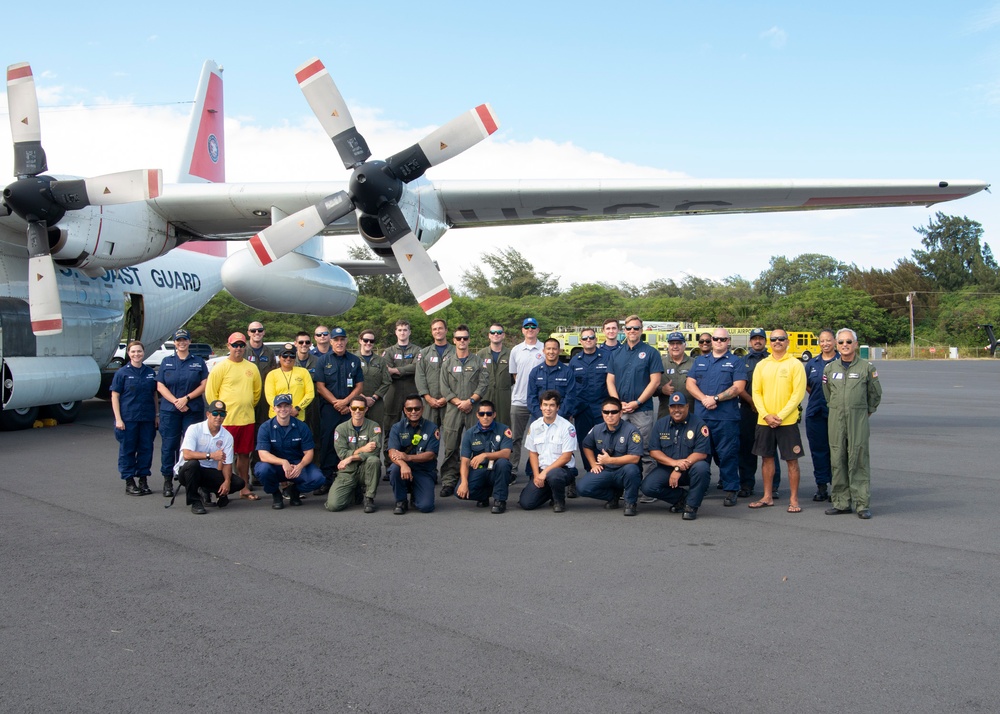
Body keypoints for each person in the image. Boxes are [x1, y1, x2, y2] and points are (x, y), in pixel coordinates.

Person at [823, 328, 882, 519]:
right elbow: (827, 393)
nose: (845, 345)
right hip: (836, 419)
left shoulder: (867, 368)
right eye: (841, 342)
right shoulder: (830, 369)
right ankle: (841, 502)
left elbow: (875, 394)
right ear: (836, 345)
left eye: (849, 342)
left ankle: (862, 504)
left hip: (858, 419)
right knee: (837, 459)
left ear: (856, 344)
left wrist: (865, 411)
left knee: (858, 459)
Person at [747, 329, 807, 513]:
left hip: (787, 422)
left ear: (787, 342)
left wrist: (780, 415)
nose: (777, 342)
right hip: (765, 421)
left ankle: (794, 499)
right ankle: (767, 496)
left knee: (792, 461)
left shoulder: (795, 365)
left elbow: (798, 394)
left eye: (781, 339)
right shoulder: (762, 365)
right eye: (773, 339)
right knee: (766, 459)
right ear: (769, 342)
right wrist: (766, 414)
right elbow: (756, 392)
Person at [686, 328, 747, 507]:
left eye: (722, 339)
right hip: (702, 417)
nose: (719, 341)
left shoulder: (736, 362)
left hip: (726, 418)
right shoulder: (700, 361)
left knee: (727, 455)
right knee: (701, 455)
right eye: (716, 339)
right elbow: (690, 383)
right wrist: (704, 399)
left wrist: (716, 398)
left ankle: (730, 489)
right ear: (711, 340)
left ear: (728, 341)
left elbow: (739, 387)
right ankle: (701, 487)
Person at [205, 332, 262, 500]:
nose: (238, 348)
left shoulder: (251, 368)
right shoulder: (220, 367)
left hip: (246, 419)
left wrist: (246, 404)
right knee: (222, 456)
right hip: (226, 421)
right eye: (235, 345)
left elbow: (256, 393)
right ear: (228, 346)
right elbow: (211, 394)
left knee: (244, 455)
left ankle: (244, 487)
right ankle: (220, 488)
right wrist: (217, 417)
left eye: (241, 345)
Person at [640, 393, 711, 521]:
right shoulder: (661, 424)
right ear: (669, 408)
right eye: (673, 407)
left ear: (687, 406)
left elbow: (701, 453)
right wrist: (674, 464)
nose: (676, 410)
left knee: (702, 468)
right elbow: (654, 451)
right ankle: (681, 498)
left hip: (691, 469)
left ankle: (691, 506)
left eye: (680, 406)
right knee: (648, 487)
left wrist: (679, 468)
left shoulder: (699, 424)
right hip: (668, 468)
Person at [606, 315, 663, 472]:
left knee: (644, 451)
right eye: (629, 328)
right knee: (619, 450)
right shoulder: (615, 354)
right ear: (624, 330)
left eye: (636, 328)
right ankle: (625, 488)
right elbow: (610, 380)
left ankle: (647, 491)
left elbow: (655, 382)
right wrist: (618, 404)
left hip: (642, 411)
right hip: (620, 410)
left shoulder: (651, 353)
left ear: (641, 330)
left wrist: (637, 402)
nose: (632, 331)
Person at [156, 328, 209, 497]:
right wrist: (176, 402)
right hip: (170, 411)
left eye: (185, 340)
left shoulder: (198, 362)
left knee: (193, 446)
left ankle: (192, 480)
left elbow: (204, 384)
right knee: (169, 446)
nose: (182, 343)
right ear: (175, 343)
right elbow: (160, 385)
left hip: (192, 410)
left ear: (189, 342)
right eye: (179, 340)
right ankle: (167, 479)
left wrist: (186, 398)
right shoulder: (167, 361)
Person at [438, 324, 488, 497]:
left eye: (465, 338)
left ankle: (478, 481)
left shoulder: (478, 361)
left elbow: (483, 383)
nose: (462, 341)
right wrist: (459, 402)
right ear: (454, 340)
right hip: (453, 409)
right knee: (451, 447)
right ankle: (449, 481)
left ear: (469, 340)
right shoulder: (447, 363)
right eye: (458, 338)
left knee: (477, 447)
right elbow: (443, 387)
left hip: (474, 409)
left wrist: (471, 400)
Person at [254, 393, 326, 509]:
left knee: (318, 479)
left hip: (296, 465)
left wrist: (300, 466)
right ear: (274, 409)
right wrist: (283, 462)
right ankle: (276, 494)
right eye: (279, 406)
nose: (283, 409)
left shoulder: (302, 426)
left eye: (286, 406)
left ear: (291, 408)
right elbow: (263, 455)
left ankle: (295, 491)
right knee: (263, 470)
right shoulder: (265, 427)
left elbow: (309, 452)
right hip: (276, 466)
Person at [314, 326, 364, 494]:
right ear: (331, 341)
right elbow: (320, 386)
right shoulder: (322, 360)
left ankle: (352, 478)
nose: (339, 342)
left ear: (346, 340)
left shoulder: (354, 360)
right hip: (330, 408)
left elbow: (359, 385)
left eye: (342, 339)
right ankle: (327, 479)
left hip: (350, 408)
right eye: (336, 339)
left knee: (351, 442)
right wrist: (337, 402)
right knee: (328, 442)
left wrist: (346, 402)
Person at [174, 400, 244, 514]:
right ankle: (195, 501)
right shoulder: (194, 429)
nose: (218, 417)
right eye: (215, 414)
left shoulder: (227, 436)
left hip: (209, 472)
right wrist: (210, 456)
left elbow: (227, 463)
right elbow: (187, 455)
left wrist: (226, 481)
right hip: (187, 471)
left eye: (222, 414)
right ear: (208, 414)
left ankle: (211, 491)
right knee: (193, 464)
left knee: (238, 483)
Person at [578, 397, 643, 516]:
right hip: (606, 470)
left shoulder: (631, 431)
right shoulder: (597, 429)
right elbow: (586, 445)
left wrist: (610, 460)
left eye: (614, 412)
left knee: (632, 470)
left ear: (621, 413)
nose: (610, 415)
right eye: (606, 412)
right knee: (582, 488)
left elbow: (635, 458)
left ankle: (630, 502)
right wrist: (593, 464)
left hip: (623, 471)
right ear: (602, 413)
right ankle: (612, 496)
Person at [111, 340, 158, 496]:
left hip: (147, 418)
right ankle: (129, 482)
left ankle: (143, 480)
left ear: (143, 353)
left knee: (146, 449)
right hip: (128, 418)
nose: (136, 354)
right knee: (128, 450)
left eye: (139, 351)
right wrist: (118, 419)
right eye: (133, 352)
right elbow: (115, 396)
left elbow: (154, 395)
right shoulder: (122, 373)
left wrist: (156, 415)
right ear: (128, 354)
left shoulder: (150, 372)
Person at [518, 390, 578, 513]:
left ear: (558, 407)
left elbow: (566, 457)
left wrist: (544, 473)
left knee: (554, 475)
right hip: (542, 471)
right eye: (545, 405)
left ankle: (559, 500)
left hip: (562, 470)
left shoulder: (567, 427)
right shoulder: (535, 426)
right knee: (526, 503)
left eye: (552, 405)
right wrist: (536, 476)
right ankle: (550, 490)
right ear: (540, 406)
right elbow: (533, 453)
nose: (548, 408)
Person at [738, 328, 781, 498]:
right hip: (748, 410)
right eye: (754, 339)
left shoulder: (774, 360)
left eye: (760, 339)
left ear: (765, 341)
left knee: (769, 450)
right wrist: (752, 402)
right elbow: (739, 386)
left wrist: (764, 407)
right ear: (750, 342)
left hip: (769, 412)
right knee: (746, 449)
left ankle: (773, 487)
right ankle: (747, 484)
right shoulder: (742, 361)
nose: (757, 341)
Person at [327, 395, 383, 513]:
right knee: (333, 506)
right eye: (354, 408)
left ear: (366, 409)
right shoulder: (341, 429)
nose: (358, 411)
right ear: (350, 409)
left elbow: (375, 451)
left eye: (361, 409)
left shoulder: (374, 427)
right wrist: (363, 449)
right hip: (347, 470)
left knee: (374, 460)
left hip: (365, 468)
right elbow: (342, 454)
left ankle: (369, 498)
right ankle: (354, 491)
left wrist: (351, 457)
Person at [457, 400, 513, 514]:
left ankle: (500, 500)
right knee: (460, 492)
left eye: (489, 414)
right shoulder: (470, 433)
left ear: (494, 415)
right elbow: (465, 461)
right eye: (482, 414)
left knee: (503, 463)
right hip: (479, 470)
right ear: (477, 415)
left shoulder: (503, 429)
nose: (485, 417)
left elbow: (506, 453)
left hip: (495, 470)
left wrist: (485, 455)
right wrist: (464, 482)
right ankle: (484, 495)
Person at [387, 395, 440, 514]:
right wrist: (404, 465)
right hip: (403, 469)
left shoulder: (432, 428)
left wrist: (408, 457)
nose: (413, 412)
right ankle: (401, 501)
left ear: (423, 409)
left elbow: (430, 455)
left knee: (426, 507)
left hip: (423, 470)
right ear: (405, 410)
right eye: (409, 409)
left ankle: (416, 495)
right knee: (395, 469)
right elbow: (392, 452)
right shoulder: (397, 428)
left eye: (417, 408)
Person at [570, 327, 611, 473]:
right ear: (581, 341)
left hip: (602, 409)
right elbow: (571, 387)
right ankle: (590, 470)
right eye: (585, 338)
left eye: (591, 337)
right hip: (582, 410)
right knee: (584, 442)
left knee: (604, 442)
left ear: (596, 339)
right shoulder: (575, 361)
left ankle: (605, 471)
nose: (588, 340)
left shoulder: (607, 357)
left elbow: (612, 382)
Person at [508, 317, 544, 480]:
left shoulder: (544, 348)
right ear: (522, 330)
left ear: (537, 330)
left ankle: (538, 469)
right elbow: (515, 375)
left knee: (540, 438)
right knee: (515, 438)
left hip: (540, 402)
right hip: (519, 400)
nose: (530, 329)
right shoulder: (515, 350)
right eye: (526, 327)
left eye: (533, 326)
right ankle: (513, 470)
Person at [804, 329, 838, 502]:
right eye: (822, 341)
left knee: (837, 452)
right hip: (815, 413)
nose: (825, 344)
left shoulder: (841, 361)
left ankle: (838, 488)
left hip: (836, 414)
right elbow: (808, 386)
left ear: (835, 341)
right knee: (818, 451)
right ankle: (821, 486)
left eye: (828, 340)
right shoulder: (812, 364)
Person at [245, 321, 278, 481]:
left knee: (262, 433)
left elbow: (273, 375)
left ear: (264, 332)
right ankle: (242, 475)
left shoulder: (270, 352)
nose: (257, 332)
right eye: (253, 330)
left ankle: (257, 471)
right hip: (246, 398)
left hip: (265, 399)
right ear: (248, 333)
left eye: (260, 330)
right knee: (246, 434)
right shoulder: (242, 350)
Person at [381, 319, 421, 442]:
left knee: (414, 421)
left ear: (410, 332)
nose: (402, 333)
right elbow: (386, 370)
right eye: (400, 330)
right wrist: (404, 371)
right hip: (393, 389)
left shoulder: (418, 350)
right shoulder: (389, 351)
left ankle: (412, 456)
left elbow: (416, 367)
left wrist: (395, 370)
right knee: (390, 423)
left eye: (405, 330)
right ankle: (389, 459)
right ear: (395, 332)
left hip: (412, 388)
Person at [527, 337, 578, 421]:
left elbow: (570, 397)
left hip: (561, 419)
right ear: (543, 351)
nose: (551, 352)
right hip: (538, 419)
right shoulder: (535, 372)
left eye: (554, 349)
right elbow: (531, 397)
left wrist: (557, 417)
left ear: (559, 351)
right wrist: (542, 417)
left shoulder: (568, 372)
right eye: (548, 349)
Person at [415, 318, 453, 427]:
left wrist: (447, 398)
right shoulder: (424, 353)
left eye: (440, 328)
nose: (438, 331)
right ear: (432, 332)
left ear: (446, 330)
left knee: (450, 437)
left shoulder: (456, 352)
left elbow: (459, 379)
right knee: (428, 436)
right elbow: (420, 376)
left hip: (450, 402)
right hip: (429, 403)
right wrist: (427, 397)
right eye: (434, 329)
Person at [264, 342, 315, 420]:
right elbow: (270, 397)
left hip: (297, 416)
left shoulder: (304, 372)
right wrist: (282, 410)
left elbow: (310, 394)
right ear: (280, 357)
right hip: (276, 417)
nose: (288, 358)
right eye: (285, 355)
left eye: (292, 356)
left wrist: (297, 408)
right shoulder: (272, 374)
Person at [477, 322, 512, 427]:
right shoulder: (480, 354)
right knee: (485, 424)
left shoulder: (511, 354)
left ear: (503, 335)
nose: (496, 334)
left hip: (504, 396)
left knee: (504, 426)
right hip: (485, 395)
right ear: (489, 335)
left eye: (499, 332)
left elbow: (514, 377)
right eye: (493, 332)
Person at [358, 329, 391, 427]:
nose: (368, 343)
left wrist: (374, 398)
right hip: (357, 401)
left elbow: (387, 381)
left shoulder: (381, 361)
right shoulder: (352, 358)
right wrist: (362, 397)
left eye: (371, 341)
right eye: (366, 340)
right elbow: (348, 381)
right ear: (360, 340)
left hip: (376, 403)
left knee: (376, 430)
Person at [293, 331, 321, 438]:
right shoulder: (289, 360)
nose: (304, 344)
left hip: (314, 403)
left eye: (307, 342)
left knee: (314, 433)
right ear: (295, 343)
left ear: (310, 344)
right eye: (301, 342)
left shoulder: (318, 361)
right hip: (296, 403)